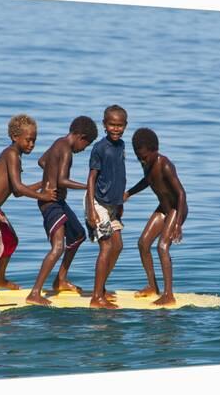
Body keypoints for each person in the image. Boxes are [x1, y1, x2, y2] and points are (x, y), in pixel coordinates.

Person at [0, 114, 58, 310]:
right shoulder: (11, 154)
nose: (32, 144)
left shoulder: (15, 156)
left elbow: (15, 191)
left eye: (34, 140)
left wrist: (44, 182)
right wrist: (44, 196)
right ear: (15, 137)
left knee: (10, 240)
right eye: (28, 139)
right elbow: (19, 187)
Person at [26, 116, 98, 306]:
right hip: (51, 204)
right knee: (58, 247)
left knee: (78, 236)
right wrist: (88, 187)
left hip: (58, 202)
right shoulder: (67, 150)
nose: (83, 149)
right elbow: (62, 181)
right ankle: (34, 293)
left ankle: (60, 280)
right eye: (86, 145)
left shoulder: (58, 142)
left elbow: (42, 161)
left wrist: (50, 175)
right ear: (81, 137)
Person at [124, 127, 187, 306]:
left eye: (144, 157)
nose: (142, 160)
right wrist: (129, 193)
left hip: (176, 208)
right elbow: (147, 181)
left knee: (162, 247)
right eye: (138, 157)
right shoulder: (147, 164)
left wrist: (177, 225)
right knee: (143, 243)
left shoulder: (165, 164)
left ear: (154, 150)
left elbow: (181, 194)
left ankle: (168, 294)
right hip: (163, 208)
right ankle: (153, 286)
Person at [85, 105, 128, 309]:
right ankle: (96, 297)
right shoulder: (99, 148)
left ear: (125, 126)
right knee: (107, 245)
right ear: (104, 125)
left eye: (120, 125)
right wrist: (91, 209)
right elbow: (91, 178)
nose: (116, 129)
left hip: (113, 205)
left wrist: (119, 203)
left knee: (118, 246)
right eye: (112, 124)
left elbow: (120, 175)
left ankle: (101, 288)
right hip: (97, 203)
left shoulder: (121, 146)